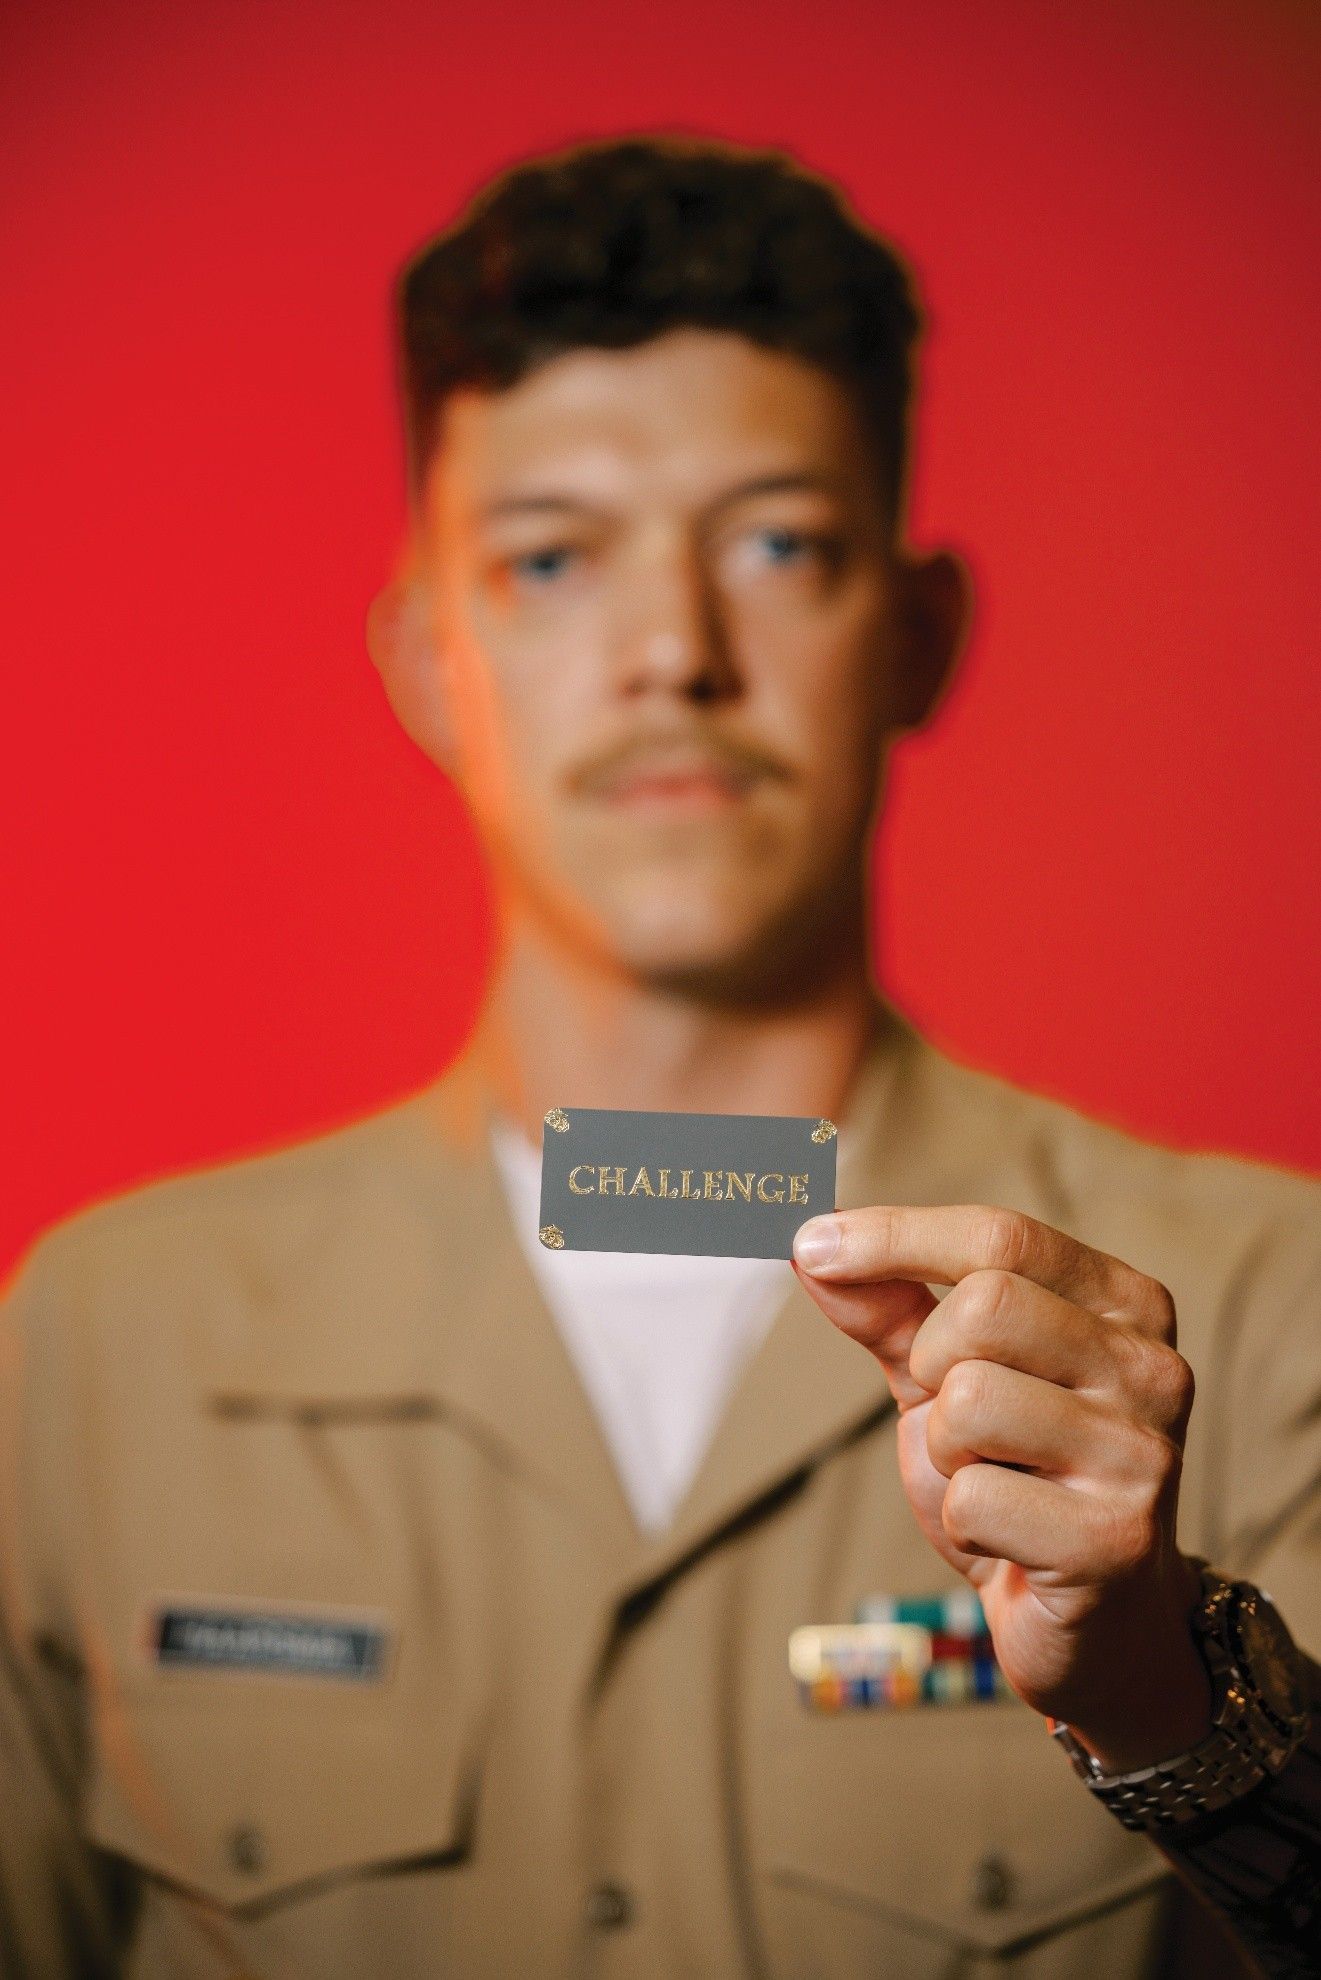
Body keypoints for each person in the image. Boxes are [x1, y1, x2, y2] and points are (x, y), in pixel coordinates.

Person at [1, 135, 1317, 1980]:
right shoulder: (96, 1346)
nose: (671, 653)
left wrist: (1172, 1705)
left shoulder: (1268, 1307)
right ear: (426, 657)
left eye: (777, 543)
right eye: (549, 560)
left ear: (917, 635)